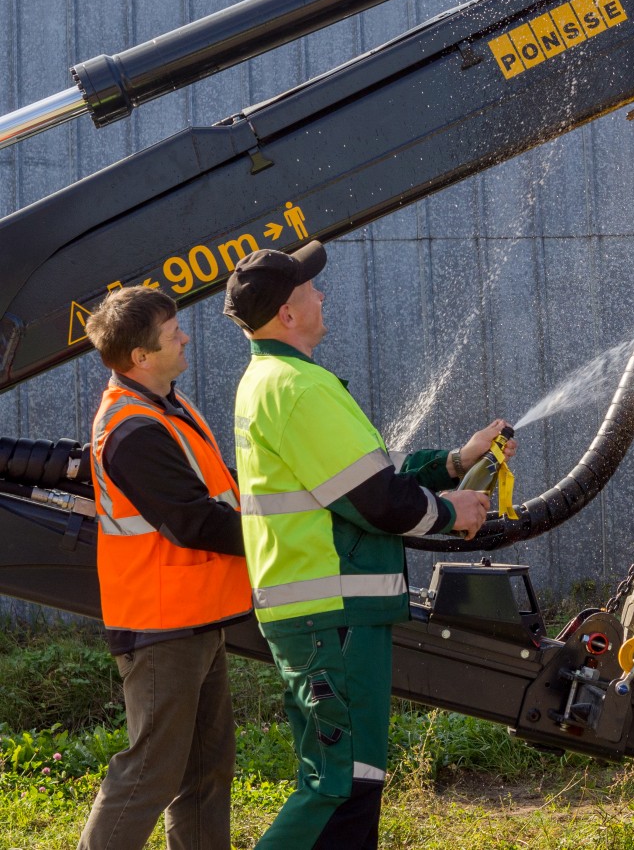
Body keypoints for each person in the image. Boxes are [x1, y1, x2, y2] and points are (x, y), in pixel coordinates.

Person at [222, 240, 512, 848]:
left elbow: (366, 472)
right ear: (287, 313)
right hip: (333, 618)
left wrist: (455, 462)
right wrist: (450, 512)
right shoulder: (299, 388)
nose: (322, 295)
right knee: (340, 786)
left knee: (347, 783)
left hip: (321, 615)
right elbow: (377, 499)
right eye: (310, 290)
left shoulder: (272, 381)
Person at [79, 286, 251, 850]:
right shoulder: (132, 428)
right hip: (161, 624)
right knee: (150, 773)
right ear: (141, 357)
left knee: (206, 768)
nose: (186, 338)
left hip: (194, 615)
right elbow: (193, 522)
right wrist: (285, 537)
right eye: (174, 333)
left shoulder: (165, 406)